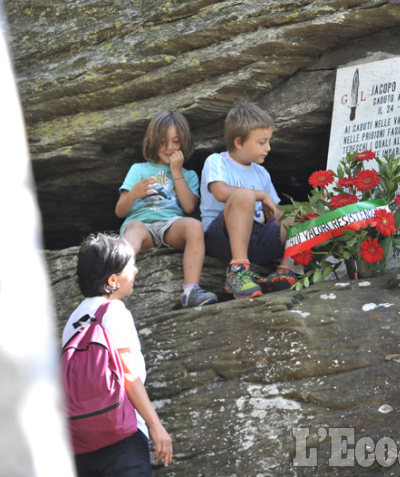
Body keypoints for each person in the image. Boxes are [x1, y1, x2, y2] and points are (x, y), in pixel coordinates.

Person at [62, 233, 173, 476]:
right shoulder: (113, 311)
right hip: (122, 434)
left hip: (80, 442)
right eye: (130, 265)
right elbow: (128, 375)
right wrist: (156, 426)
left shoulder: (73, 321)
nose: (136, 271)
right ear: (113, 279)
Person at [115, 110, 217, 308]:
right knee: (134, 229)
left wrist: (176, 171)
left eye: (176, 141)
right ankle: (119, 272)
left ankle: (191, 290)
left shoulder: (189, 175)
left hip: (170, 226)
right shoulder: (139, 169)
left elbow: (188, 207)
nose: (169, 147)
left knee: (195, 226)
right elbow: (120, 211)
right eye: (162, 141)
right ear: (153, 141)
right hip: (142, 225)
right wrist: (134, 193)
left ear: (184, 142)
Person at [199, 101, 298, 299]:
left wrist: (275, 215)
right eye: (262, 142)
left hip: (257, 238)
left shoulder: (262, 173)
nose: (268, 148)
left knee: (299, 215)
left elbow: (275, 213)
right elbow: (220, 192)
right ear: (238, 142)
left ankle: (286, 271)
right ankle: (238, 271)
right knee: (244, 196)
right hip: (222, 238)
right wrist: (260, 195)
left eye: (268, 141)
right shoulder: (217, 161)